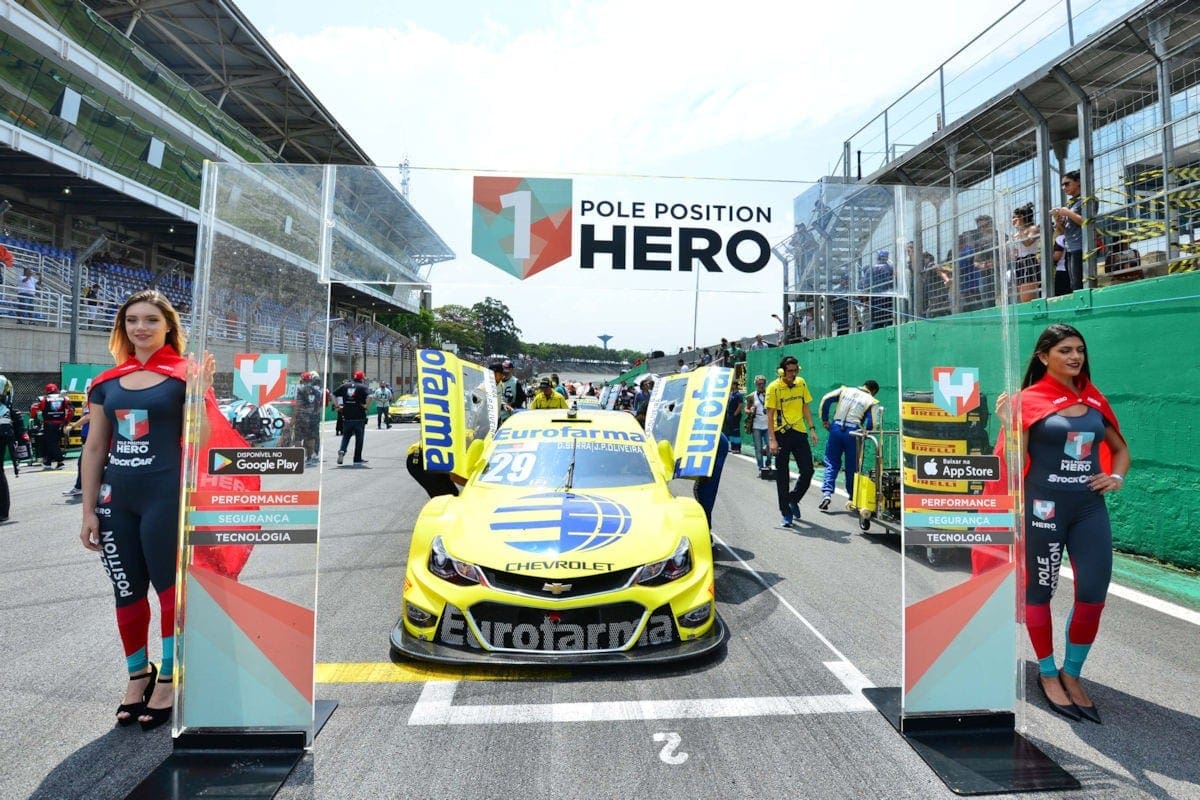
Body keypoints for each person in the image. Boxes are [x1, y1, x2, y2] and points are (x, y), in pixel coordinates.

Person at [78, 289, 215, 730]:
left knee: (170, 592)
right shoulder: (106, 382)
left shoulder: (186, 375)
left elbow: (202, 439)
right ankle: (138, 676)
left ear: (168, 327)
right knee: (127, 591)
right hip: (116, 501)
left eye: (151, 320)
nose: (141, 327)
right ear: (123, 327)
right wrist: (87, 511)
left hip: (166, 497)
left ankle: (170, 677)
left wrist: (200, 393)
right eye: (132, 320)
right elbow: (95, 448)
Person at [1002, 323, 1130, 724]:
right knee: (1040, 590)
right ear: (1044, 357)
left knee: (1093, 593)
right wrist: (1009, 424)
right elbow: (1012, 464)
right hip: (1044, 510)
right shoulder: (1027, 400)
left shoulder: (1093, 398)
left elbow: (1120, 450)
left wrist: (1116, 477)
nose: (1075, 357)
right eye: (1065, 351)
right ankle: (1046, 671)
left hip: (1089, 510)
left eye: (1079, 350)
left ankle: (1072, 673)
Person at [766, 355, 819, 527]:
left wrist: (812, 429)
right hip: (780, 434)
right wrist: (772, 440)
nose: (793, 374)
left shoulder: (801, 383)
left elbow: (805, 406)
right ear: (782, 371)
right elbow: (770, 415)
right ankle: (786, 513)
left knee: (808, 470)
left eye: (796, 370)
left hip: (799, 432)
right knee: (782, 475)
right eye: (790, 371)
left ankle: (793, 498)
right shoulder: (773, 388)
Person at [818, 380, 880, 510]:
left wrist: (825, 420)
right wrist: (867, 431)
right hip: (853, 432)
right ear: (873, 391)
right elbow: (873, 422)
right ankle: (852, 497)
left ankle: (827, 493)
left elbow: (826, 399)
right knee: (852, 467)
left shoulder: (844, 390)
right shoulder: (871, 401)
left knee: (831, 462)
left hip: (836, 428)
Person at [1051, 171, 1086, 293]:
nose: (1064, 188)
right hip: (1070, 247)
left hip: (1081, 247)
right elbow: (1064, 230)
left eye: (1067, 184)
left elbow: (1086, 221)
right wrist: (1058, 220)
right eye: (1062, 185)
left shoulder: (1086, 199)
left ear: (1078, 182)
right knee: (1073, 285)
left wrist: (1068, 213)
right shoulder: (1070, 204)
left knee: (1079, 284)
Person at [30, 382, 73, 469]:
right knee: (51, 442)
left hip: (49, 423)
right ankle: (48, 463)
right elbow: (71, 410)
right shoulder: (64, 398)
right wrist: (66, 421)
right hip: (60, 424)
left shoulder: (43, 399)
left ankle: (60, 462)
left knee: (52, 443)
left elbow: (34, 408)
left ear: (47, 390)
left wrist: (34, 417)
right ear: (56, 389)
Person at [333, 370, 370, 464]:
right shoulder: (363, 387)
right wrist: (366, 406)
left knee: (346, 436)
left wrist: (337, 406)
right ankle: (357, 458)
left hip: (347, 416)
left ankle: (342, 450)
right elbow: (371, 396)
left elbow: (333, 394)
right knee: (359, 438)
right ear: (362, 379)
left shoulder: (345, 386)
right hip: (359, 417)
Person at [293, 371, 325, 466]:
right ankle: (309, 457)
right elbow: (318, 407)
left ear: (302, 380)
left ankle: (298, 458)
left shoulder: (300, 390)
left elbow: (298, 405)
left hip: (301, 417)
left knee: (298, 438)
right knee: (310, 438)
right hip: (313, 418)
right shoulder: (318, 391)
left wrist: (293, 418)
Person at [744, 374, 773, 479]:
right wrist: (750, 410)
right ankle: (761, 468)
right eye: (759, 384)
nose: (761, 386)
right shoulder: (751, 396)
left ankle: (768, 463)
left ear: (765, 384)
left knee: (770, 446)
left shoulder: (769, 395)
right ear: (756, 384)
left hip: (767, 425)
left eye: (762, 384)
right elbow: (746, 409)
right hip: (756, 425)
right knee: (758, 448)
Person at [492, 360, 518, 424]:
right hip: (492, 418)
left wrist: (507, 405)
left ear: (511, 369)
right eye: (500, 373)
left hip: (507, 416)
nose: (502, 376)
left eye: (506, 368)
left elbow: (521, 398)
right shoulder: (490, 385)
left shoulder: (515, 382)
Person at [723, 380, 743, 454]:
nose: (731, 386)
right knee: (731, 432)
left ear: (735, 385)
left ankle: (737, 448)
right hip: (730, 415)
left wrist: (735, 414)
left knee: (736, 432)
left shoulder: (738, 395)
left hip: (735, 416)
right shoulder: (732, 394)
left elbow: (740, 405)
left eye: (732, 384)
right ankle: (733, 447)